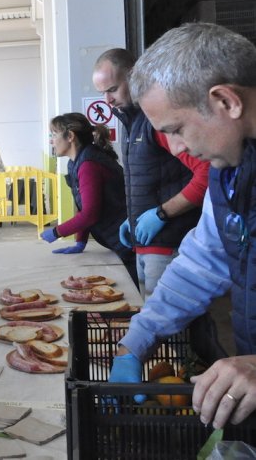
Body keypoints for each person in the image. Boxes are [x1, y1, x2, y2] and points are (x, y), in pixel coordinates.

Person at [108, 22, 256, 431]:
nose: (176, 148)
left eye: (176, 130)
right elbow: (202, 262)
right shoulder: (230, 173)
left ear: (226, 101)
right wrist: (136, 341)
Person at [93, 48, 209, 297]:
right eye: (102, 93)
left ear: (134, 76)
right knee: (151, 316)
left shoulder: (156, 125)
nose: (107, 100)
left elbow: (207, 175)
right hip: (145, 246)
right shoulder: (130, 124)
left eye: (112, 90)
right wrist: (133, 216)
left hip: (169, 244)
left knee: (170, 329)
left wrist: (162, 213)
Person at [40, 113, 138, 286]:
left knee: (134, 293)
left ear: (70, 136)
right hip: (116, 237)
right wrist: (80, 241)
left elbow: (89, 214)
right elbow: (84, 205)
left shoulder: (89, 164)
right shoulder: (76, 162)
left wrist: (57, 232)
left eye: (54, 135)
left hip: (127, 239)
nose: (51, 141)